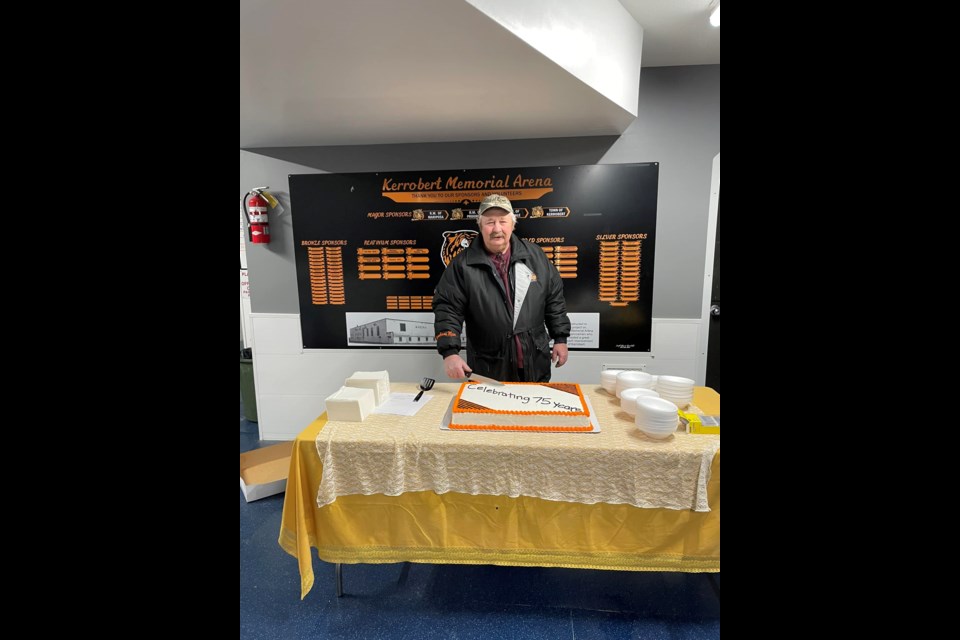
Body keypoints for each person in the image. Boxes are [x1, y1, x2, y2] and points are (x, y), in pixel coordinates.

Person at [433, 194, 571, 382]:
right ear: (480, 226)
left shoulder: (536, 257)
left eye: (503, 221)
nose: (497, 229)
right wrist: (449, 352)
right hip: (489, 367)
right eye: (490, 222)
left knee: (533, 411)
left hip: (535, 363)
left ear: (513, 224)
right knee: (490, 411)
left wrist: (560, 338)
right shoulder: (461, 265)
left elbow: (554, 299)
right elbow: (448, 308)